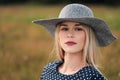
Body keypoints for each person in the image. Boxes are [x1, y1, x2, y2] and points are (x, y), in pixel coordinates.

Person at [32, 4, 117, 80]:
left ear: (88, 36)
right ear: (58, 35)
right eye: (64, 29)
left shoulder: (93, 77)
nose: (70, 35)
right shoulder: (48, 70)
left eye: (78, 29)